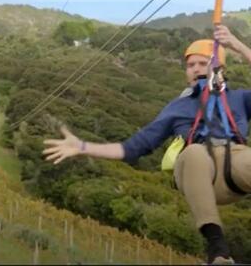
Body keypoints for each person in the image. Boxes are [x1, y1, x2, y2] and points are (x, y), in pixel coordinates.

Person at [42, 25, 251, 265]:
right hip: (200, 172)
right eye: (190, 65)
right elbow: (132, 148)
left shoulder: (239, 99)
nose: (195, 69)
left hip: (234, 162)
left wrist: (237, 45)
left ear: (218, 68)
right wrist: (83, 147)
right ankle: (218, 249)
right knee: (194, 153)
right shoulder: (178, 108)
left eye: (202, 64)